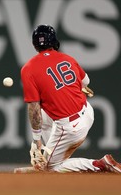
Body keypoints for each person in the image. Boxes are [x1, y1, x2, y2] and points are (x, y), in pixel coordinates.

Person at [19, 24, 121, 173]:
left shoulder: (28, 69)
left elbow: (34, 108)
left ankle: (99, 164)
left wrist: (36, 140)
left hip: (70, 128)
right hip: (87, 113)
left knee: (49, 168)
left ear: (35, 44)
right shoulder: (67, 58)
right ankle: (51, 152)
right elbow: (86, 82)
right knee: (45, 116)